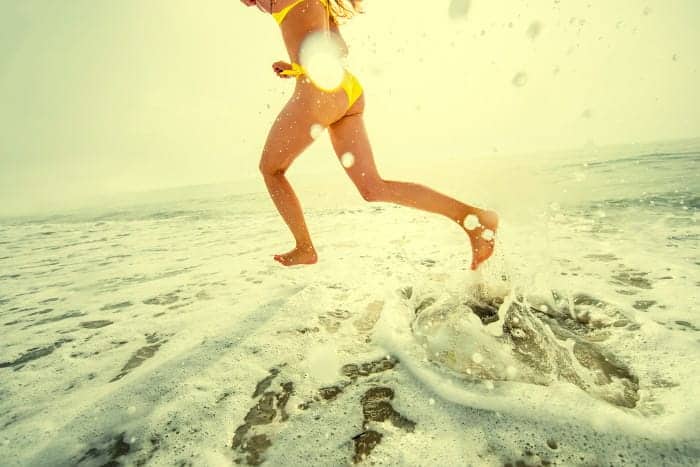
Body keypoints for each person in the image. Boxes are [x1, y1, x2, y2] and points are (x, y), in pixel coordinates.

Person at [240, 0, 499, 270]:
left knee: (271, 170)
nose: (246, 4)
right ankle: (474, 219)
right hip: (345, 89)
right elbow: (339, 48)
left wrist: (300, 65)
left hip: (318, 92)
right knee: (373, 188)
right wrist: (295, 66)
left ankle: (305, 247)